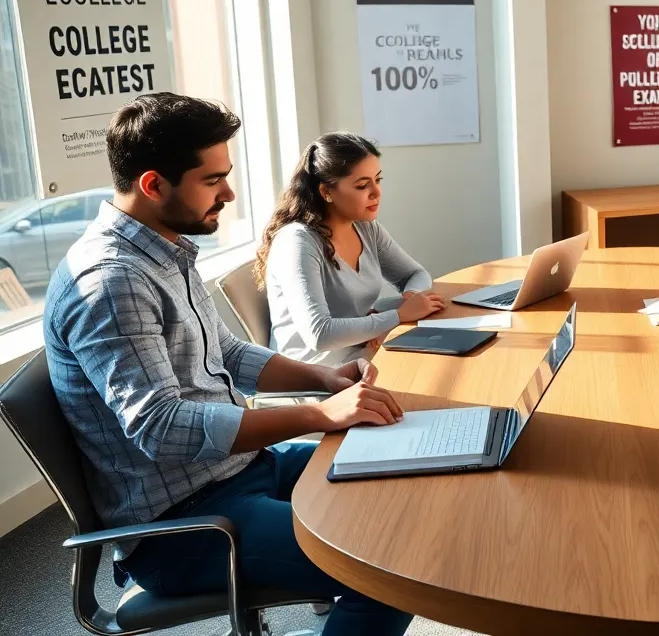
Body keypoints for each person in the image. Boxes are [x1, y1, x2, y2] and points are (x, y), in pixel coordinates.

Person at [44, 93, 415, 635]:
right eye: (212, 180)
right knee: (387, 569)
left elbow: (228, 352)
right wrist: (320, 415)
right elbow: (161, 427)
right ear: (153, 185)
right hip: (183, 523)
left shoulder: (164, 247)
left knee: (390, 473)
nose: (230, 193)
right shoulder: (111, 282)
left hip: (238, 468)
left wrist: (325, 380)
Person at [255, 132, 444, 366]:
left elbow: (414, 274)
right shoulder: (298, 243)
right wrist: (397, 317)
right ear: (326, 192)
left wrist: (411, 299)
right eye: (363, 185)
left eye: (378, 180)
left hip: (362, 348)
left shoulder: (366, 228)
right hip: (317, 371)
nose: (376, 192)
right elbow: (319, 334)